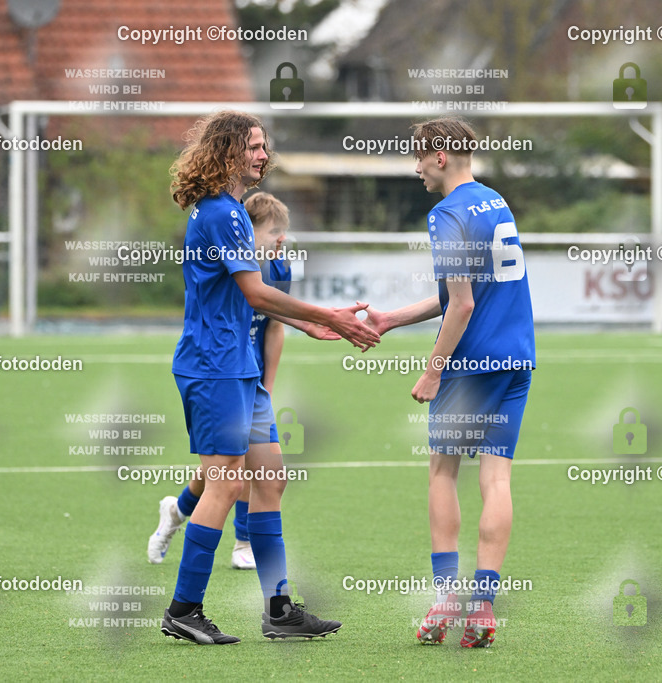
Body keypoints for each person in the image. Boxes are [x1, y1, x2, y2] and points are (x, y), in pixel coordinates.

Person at [160, 111, 378, 646]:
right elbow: (255, 293)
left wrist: (306, 326)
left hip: (239, 367)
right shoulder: (224, 214)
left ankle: (279, 610)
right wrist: (328, 317)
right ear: (228, 152)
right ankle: (184, 610)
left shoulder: (227, 211)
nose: (264, 155)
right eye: (254, 147)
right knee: (228, 482)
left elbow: (246, 296)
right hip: (216, 367)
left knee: (271, 477)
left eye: (264, 146)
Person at [363, 117, 535, 648]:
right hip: (517, 357)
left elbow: (461, 304)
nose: (415, 168)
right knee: (497, 480)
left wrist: (434, 368)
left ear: (440, 156)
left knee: (442, 473)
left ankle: (444, 602)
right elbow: (462, 292)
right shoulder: (493, 201)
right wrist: (393, 319)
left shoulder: (446, 215)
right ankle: (482, 609)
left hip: (471, 362)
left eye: (418, 157)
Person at [148, 192, 297, 571]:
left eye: (285, 231)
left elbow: (275, 328)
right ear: (249, 232)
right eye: (275, 231)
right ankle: (241, 542)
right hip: (220, 370)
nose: (282, 239)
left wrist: (269, 382)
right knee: (235, 467)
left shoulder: (279, 269)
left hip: (251, 374)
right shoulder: (233, 266)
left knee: (240, 466)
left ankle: (178, 509)